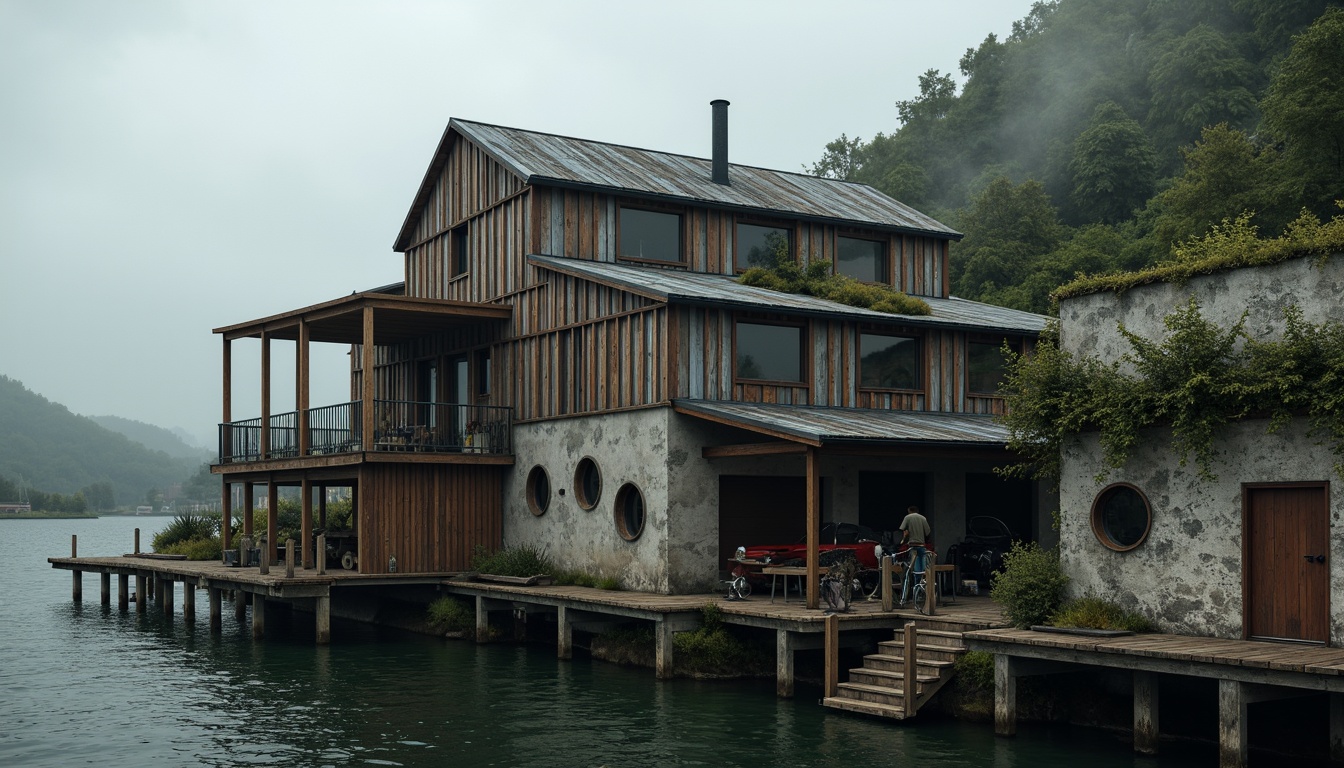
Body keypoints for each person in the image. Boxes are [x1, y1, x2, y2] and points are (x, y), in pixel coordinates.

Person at [898, 505, 932, 603]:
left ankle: (905, 598)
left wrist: (904, 538)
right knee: (922, 570)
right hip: (922, 546)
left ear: (909, 511)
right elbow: (928, 532)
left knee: (910, 572)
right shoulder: (923, 518)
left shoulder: (908, 517)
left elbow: (903, 530)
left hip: (913, 546)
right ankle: (920, 593)